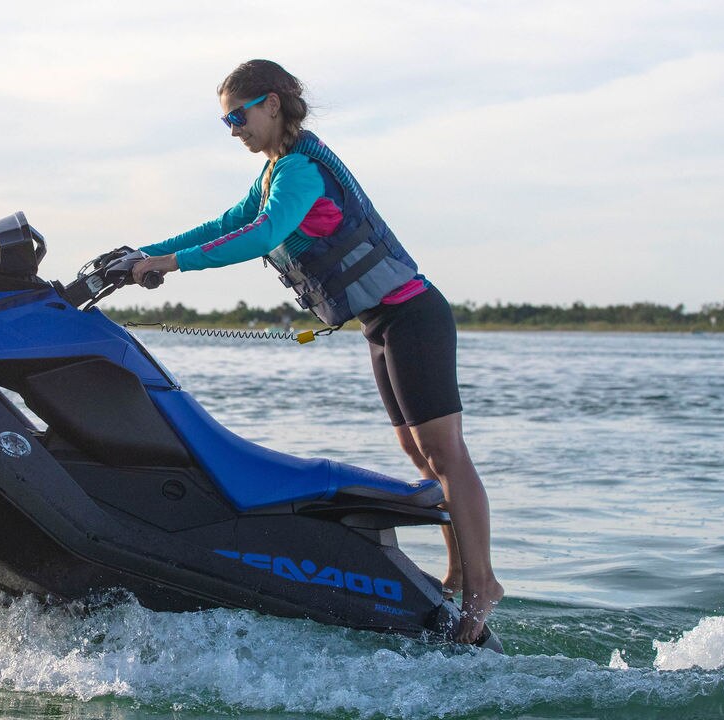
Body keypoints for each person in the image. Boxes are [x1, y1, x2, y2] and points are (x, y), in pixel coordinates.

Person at [130, 59, 502, 644]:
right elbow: (227, 221)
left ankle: (483, 586)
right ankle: (458, 570)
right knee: (419, 453)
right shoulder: (275, 169)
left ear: (272, 104)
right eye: (225, 121)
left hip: (414, 317)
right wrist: (139, 254)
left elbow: (261, 234)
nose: (233, 130)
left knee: (445, 453)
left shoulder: (300, 169)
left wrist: (169, 265)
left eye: (238, 116)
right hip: (383, 323)